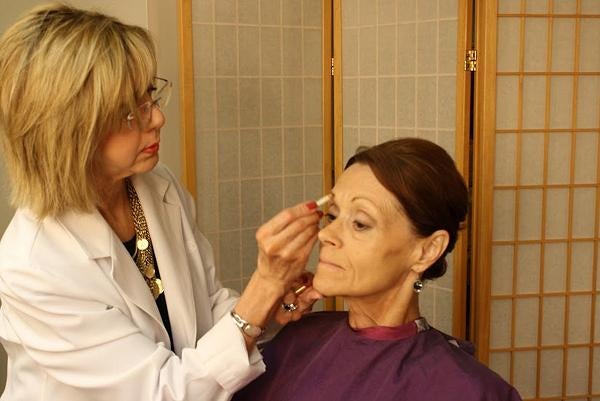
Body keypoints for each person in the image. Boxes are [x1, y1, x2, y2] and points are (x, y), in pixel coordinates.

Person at [0, 4, 322, 401]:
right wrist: (264, 285)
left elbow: (202, 311)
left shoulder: (157, 186)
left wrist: (268, 307)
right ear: (68, 131)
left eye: (149, 95)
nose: (156, 119)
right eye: (128, 111)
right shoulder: (35, 265)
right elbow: (162, 392)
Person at [233, 138, 522, 401]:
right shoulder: (296, 340)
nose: (325, 234)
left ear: (427, 250)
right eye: (332, 216)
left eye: (360, 223)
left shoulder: (468, 390)